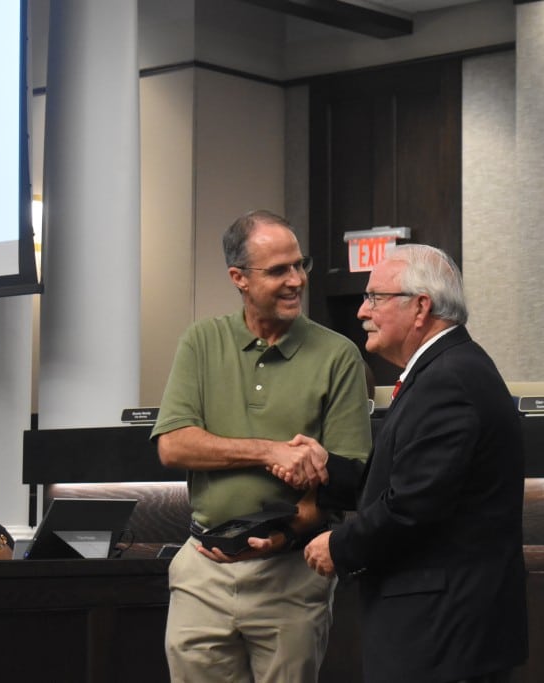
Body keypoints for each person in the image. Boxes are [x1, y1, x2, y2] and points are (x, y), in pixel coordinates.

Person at [275, 244, 528, 683]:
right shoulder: (446, 369)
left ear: (420, 307)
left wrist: (338, 546)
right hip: (443, 633)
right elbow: (406, 482)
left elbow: (413, 507)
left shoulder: (447, 380)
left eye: (375, 297)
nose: (362, 311)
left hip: (441, 636)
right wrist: (326, 468)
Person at [151, 209, 373, 682]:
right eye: (278, 271)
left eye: (300, 264)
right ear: (239, 278)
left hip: (291, 574)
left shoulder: (339, 355)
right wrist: (271, 452)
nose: (296, 280)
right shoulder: (201, 341)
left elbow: (348, 475)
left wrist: (289, 533)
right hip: (202, 570)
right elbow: (173, 446)